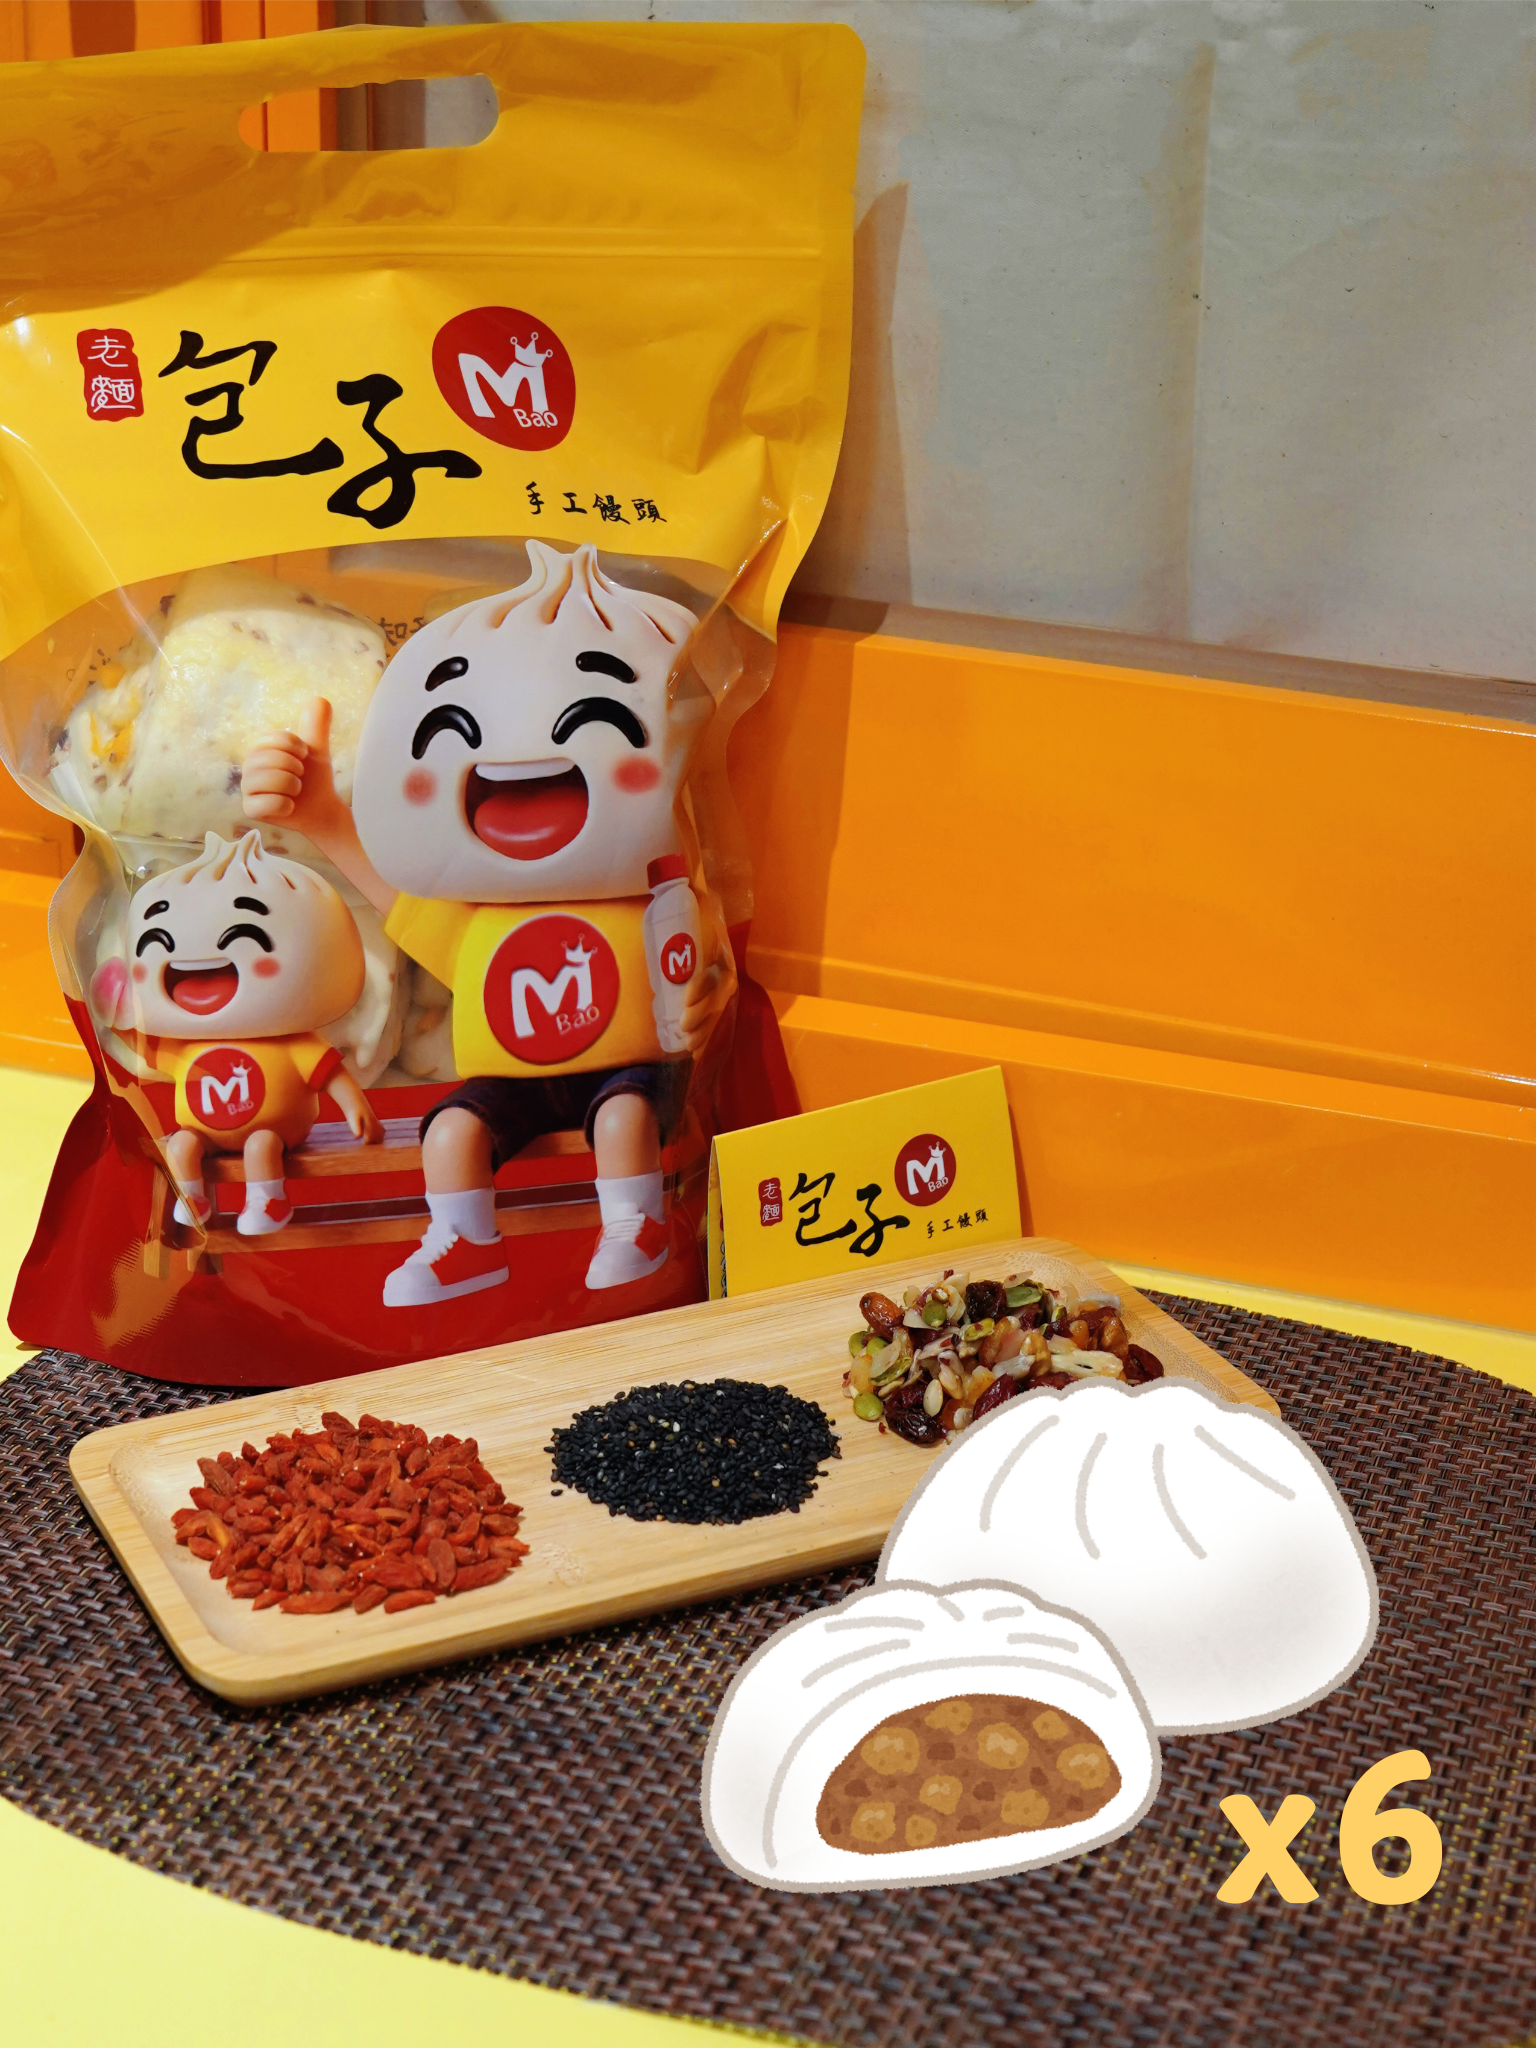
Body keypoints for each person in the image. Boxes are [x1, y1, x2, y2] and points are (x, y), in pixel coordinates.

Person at [242, 541, 735, 1306]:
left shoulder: (655, 898)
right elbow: (399, 902)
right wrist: (325, 820)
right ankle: (465, 1241)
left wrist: (710, 991)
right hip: (513, 1081)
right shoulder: (480, 922)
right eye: (452, 732)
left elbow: (699, 962)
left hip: (633, 1071)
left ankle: (635, 1225)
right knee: (450, 1132)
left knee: (622, 1119)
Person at [92, 829, 382, 1235]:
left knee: (261, 1146)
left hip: (276, 1131)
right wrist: (113, 1008)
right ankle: (192, 1198)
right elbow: (141, 1045)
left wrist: (357, 1109)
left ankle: (269, 1200)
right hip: (202, 1133)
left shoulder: (294, 1044)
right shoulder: (184, 1047)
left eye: (247, 936)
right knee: (181, 1145)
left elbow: (330, 1074)